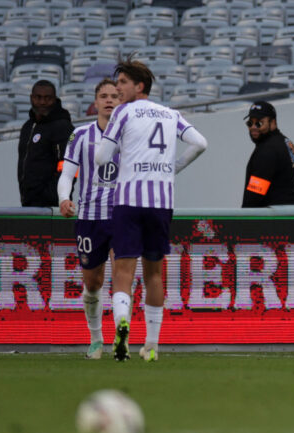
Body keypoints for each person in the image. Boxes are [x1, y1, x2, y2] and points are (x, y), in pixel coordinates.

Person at [95, 58, 207, 362]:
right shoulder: (170, 114)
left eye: (122, 83)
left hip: (129, 199)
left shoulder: (123, 112)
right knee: (154, 273)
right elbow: (200, 143)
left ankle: (123, 323)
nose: (117, 90)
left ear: (138, 85)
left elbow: (103, 157)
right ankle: (152, 344)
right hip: (161, 202)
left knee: (122, 270)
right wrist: (171, 170)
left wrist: (125, 159)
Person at [57, 78, 121, 359]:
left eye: (114, 96)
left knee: (122, 280)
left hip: (123, 216)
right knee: (93, 283)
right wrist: (63, 198)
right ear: (95, 102)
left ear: (122, 101)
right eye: (104, 96)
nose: (109, 100)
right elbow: (67, 174)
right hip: (89, 218)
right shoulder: (80, 135)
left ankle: (122, 337)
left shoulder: (130, 134)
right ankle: (96, 339)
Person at [18, 80, 74, 207]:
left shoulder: (63, 126)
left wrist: (52, 196)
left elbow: (68, 166)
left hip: (54, 207)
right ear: (31, 98)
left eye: (47, 98)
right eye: (38, 98)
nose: (42, 102)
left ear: (55, 99)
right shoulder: (27, 127)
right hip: (28, 203)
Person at [241, 101, 294, 207]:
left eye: (259, 123)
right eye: (250, 123)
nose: (253, 127)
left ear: (273, 122)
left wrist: (243, 220)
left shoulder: (267, 150)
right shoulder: (287, 142)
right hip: (293, 212)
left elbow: (255, 195)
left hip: (275, 218)